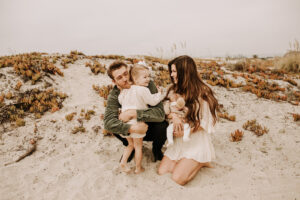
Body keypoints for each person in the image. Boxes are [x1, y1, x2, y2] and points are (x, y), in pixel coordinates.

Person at [158, 55, 219, 186]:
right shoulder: (174, 89)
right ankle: (185, 161)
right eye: (172, 71)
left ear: (184, 72)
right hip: (178, 142)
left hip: (195, 139)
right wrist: (174, 117)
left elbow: (206, 122)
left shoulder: (203, 92)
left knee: (178, 178)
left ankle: (202, 161)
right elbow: (165, 111)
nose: (172, 74)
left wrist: (187, 131)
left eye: (174, 71)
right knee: (163, 171)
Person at [104, 61, 167, 164]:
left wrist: (133, 113)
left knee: (163, 126)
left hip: (149, 126)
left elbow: (160, 113)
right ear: (114, 81)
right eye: (119, 77)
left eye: (125, 74)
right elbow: (108, 122)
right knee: (114, 125)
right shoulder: (115, 94)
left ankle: (156, 149)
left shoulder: (146, 84)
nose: (125, 78)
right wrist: (132, 128)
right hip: (130, 130)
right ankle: (130, 146)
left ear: (130, 71)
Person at [118, 64, 164, 174]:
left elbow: (120, 101)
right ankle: (138, 168)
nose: (148, 79)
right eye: (145, 77)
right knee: (138, 146)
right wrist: (160, 94)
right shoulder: (143, 90)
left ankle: (123, 162)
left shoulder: (125, 90)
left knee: (130, 145)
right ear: (135, 79)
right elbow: (152, 101)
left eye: (149, 76)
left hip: (125, 124)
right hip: (137, 124)